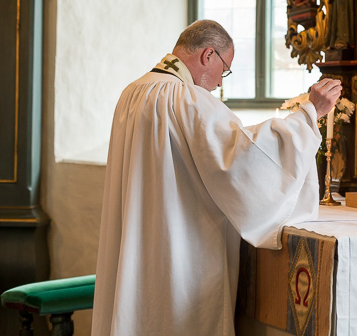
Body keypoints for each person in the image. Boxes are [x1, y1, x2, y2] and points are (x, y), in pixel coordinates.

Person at [91, 20, 342, 335]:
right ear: (208, 55)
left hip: (139, 238)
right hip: (179, 250)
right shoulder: (188, 100)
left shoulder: (133, 91)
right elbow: (243, 158)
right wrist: (309, 114)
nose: (218, 84)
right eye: (224, 70)